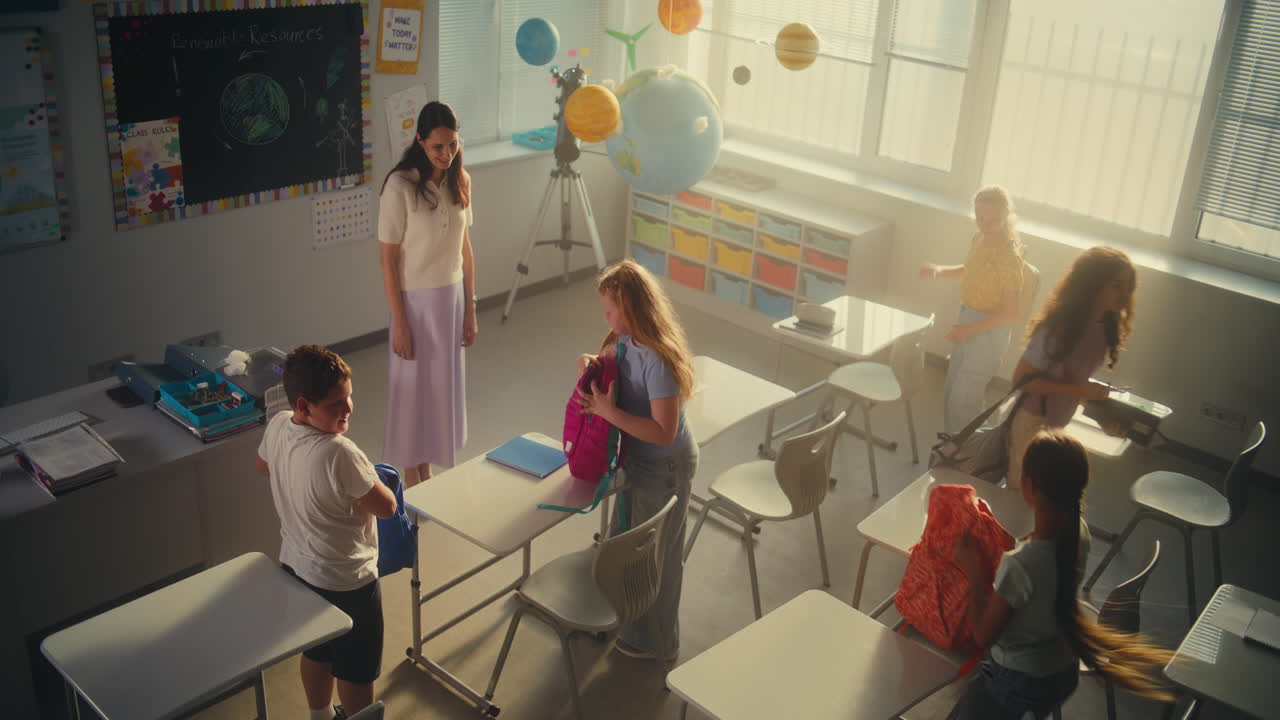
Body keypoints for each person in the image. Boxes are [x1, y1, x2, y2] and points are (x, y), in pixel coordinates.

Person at [949, 429, 1173, 719]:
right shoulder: (1078, 531)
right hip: (1062, 670)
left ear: (1027, 486)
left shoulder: (1021, 564)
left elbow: (981, 636)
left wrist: (974, 568)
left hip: (1019, 680)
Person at [255, 345, 397, 719]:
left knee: (317, 649)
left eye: (349, 397)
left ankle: (320, 715)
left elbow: (262, 466)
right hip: (347, 579)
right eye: (336, 404)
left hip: (299, 568)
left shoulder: (279, 424)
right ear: (304, 405)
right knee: (356, 667)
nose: (348, 409)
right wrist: (367, 477)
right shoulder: (339, 453)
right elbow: (387, 507)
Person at [574, 260, 698, 661]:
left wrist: (609, 414)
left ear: (631, 309)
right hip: (637, 460)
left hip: (664, 467)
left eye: (610, 309)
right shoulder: (623, 340)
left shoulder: (658, 360)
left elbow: (663, 431)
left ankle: (657, 644)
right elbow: (613, 368)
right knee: (623, 546)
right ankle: (618, 618)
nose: (605, 317)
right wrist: (590, 366)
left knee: (656, 559)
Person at [379, 100, 477, 488]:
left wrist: (470, 308)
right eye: (437, 146)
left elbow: (465, 249)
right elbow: (387, 262)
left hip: (450, 301)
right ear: (420, 141)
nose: (446, 154)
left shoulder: (460, 181)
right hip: (415, 306)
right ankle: (411, 483)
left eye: (452, 145)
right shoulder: (399, 186)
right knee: (412, 398)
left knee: (439, 393)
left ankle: (429, 476)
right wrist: (399, 322)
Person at [1006, 246, 1136, 488]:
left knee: (1040, 498)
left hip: (1057, 421)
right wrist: (1081, 391)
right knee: (1023, 495)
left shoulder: (1105, 325)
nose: (1125, 293)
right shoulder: (1058, 327)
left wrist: (1103, 417)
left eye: (1129, 286)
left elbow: (1073, 379)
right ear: (1093, 284)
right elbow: (1022, 380)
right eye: (1117, 285)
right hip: (1031, 420)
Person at [920, 186, 1027, 433]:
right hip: (967, 319)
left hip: (988, 330)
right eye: (980, 219)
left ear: (1006, 217)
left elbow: (1011, 314)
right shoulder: (979, 239)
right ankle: (957, 445)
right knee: (952, 391)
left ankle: (965, 453)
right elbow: (970, 271)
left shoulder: (1009, 257)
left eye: (994, 220)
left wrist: (969, 329)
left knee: (963, 399)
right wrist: (938, 270)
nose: (985, 225)